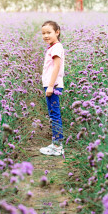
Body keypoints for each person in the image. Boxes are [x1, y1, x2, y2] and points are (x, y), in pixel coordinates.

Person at [39, 20, 65, 156]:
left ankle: (58, 145)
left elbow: (56, 67)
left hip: (53, 86)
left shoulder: (56, 48)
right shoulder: (52, 47)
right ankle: (56, 142)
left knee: (54, 114)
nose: (45, 36)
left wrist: (50, 86)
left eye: (49, 32)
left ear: (57, 32)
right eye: (43, 33)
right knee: (53, 113)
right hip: (51, 85)